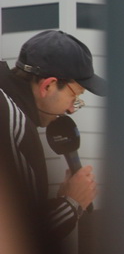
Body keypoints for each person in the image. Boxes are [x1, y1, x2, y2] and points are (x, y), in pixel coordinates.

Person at [0, 29, 106, 239]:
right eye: (74, 96)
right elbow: (21, 241)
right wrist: (72, 203)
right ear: (48, 85)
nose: (71, 109)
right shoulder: (12, 123)